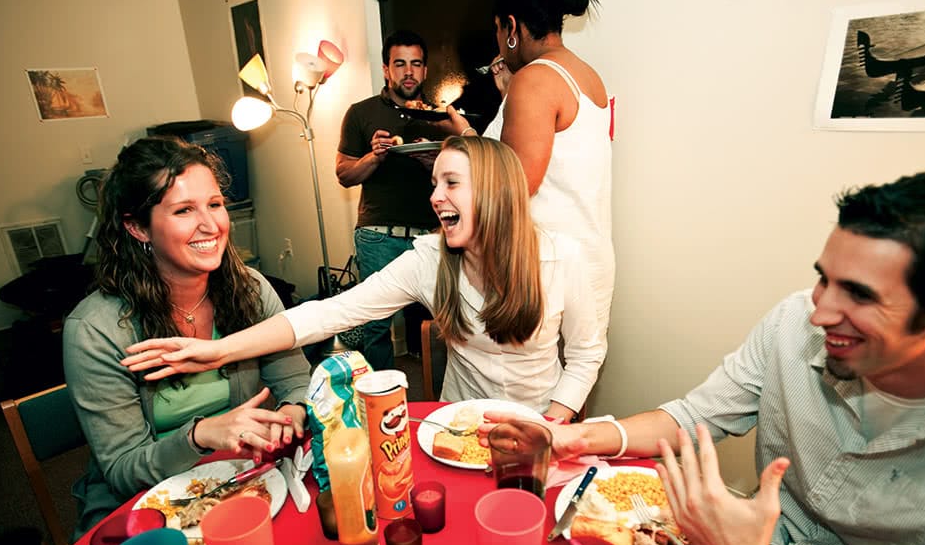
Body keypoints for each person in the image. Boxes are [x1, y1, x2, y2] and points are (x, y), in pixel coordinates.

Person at [483, 169, 925, 545]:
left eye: (859, 294)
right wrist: (576, 437)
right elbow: (693, 417)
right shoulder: (793, 323)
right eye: (824, 279)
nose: (819, 313)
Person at [123, 136, 605, 421]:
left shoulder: (562, 259)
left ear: (496, 192)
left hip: (541, 420)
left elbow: (586, 354)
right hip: (458, 425)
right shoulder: (429, 260)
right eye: (434, 183)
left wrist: (556, 417)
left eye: (451, 183)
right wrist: (219, 350)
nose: (435, 197)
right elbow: (330, 312)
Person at [63, 136, 311, 537]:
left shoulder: (251, 290)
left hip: (246, 482)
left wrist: (292, 413)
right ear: (138, 227)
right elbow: (124, 471)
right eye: (183, 210)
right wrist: (200, 435)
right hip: (147, 510)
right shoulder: (95, 331)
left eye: (215, 204)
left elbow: (297, 381)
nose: (211, 225)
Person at [448, 0, 614, 341]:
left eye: (497, 29)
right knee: (573, 381)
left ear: (511, 27)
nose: (497, 40)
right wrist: (512, 93)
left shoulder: (534, 81)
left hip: (546, 268)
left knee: (525, 390)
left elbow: (513, 186)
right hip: (590, 257)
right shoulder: (586, 75)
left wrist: (463, 135)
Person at [336, 29, 449, 370]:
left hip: (433, 236)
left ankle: (442, 400)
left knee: (446, 322)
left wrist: (436, 165)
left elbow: (466, 178)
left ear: (425, 70)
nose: (409, 72)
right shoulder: (360, 113)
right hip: (378, 235)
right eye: (400, 64)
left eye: (416, 64)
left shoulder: (442, 117)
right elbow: (344, 175)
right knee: (375, 326)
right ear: (386, 70)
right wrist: (374, 157)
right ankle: (380, 400)